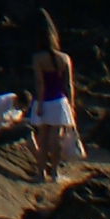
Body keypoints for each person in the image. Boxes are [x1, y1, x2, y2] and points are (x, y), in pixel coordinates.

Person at [29, 28, 85, 172]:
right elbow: (69, 84)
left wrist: (40, 104)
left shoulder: (38, 58)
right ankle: (54, 173)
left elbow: (39, 83)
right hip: (59, 101)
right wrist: (71, 106)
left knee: (42, 140)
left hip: (44, 100)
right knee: (56, 140)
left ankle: (41, 173)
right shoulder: (65, 58)